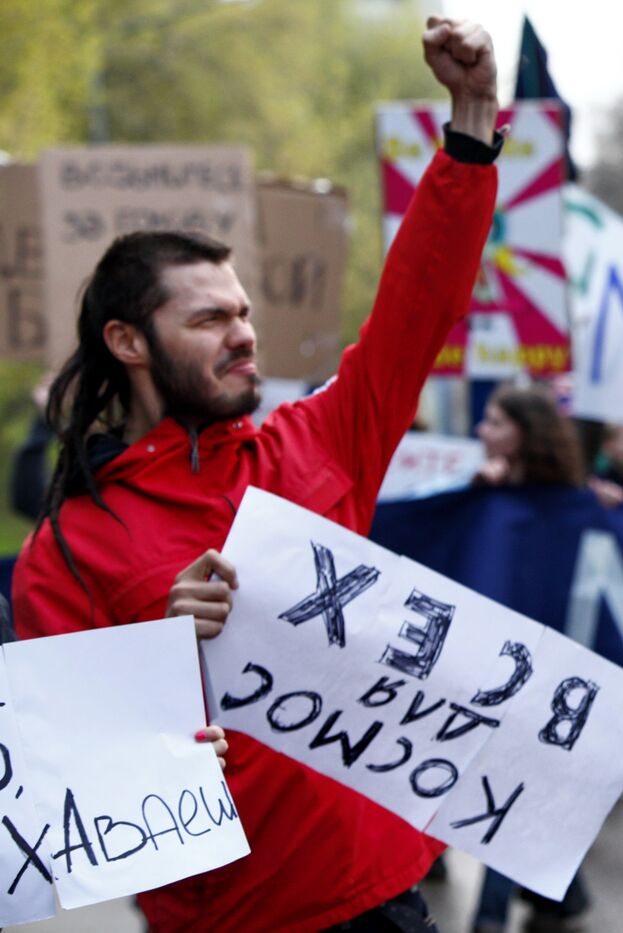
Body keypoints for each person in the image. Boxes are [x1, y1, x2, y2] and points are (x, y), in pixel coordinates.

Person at [12, 17, 501, 933]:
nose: (243, 333)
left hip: (387, 899)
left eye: (244, 312)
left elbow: (419, 302)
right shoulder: (67, 551)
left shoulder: (318, 442)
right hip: (230, 919)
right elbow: (68, 778)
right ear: (128, 342)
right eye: (208, 320)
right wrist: (156, 656)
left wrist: (471, 120)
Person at [470, 383, 592, 933]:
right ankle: (565, 897)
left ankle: (489, 919)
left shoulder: (575, 504)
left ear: (526, 433)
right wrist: (476, 497)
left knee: (510, 785)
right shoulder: (478, 495)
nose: (482, 431)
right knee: (521, 785)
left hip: (548, 674)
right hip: (491, 668)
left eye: (495, 422)